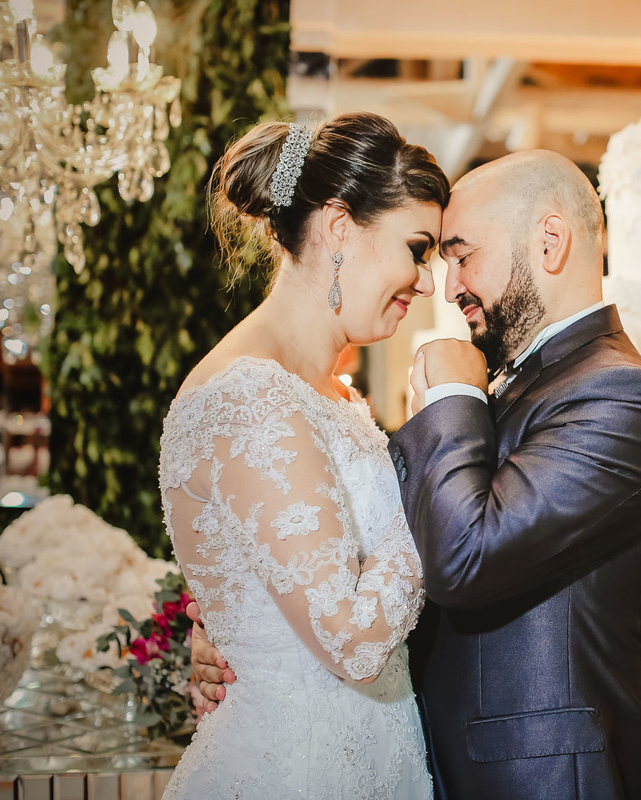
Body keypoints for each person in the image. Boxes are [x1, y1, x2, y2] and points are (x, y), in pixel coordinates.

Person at [194, 150, 641, 799]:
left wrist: (453, 394)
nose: (448, 286)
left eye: (461, 254)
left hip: (547, 782)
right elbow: (367, 545)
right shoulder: (506, 382)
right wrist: (255, 629)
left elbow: (465, 556)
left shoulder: (619, 394)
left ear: (550, 242)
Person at [163, 112, 448, 798]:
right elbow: (350, 639)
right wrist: (439, 482)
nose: (427, 282)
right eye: (417, 248)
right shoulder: (251, 397)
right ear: (340, 225)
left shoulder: (332, 395)